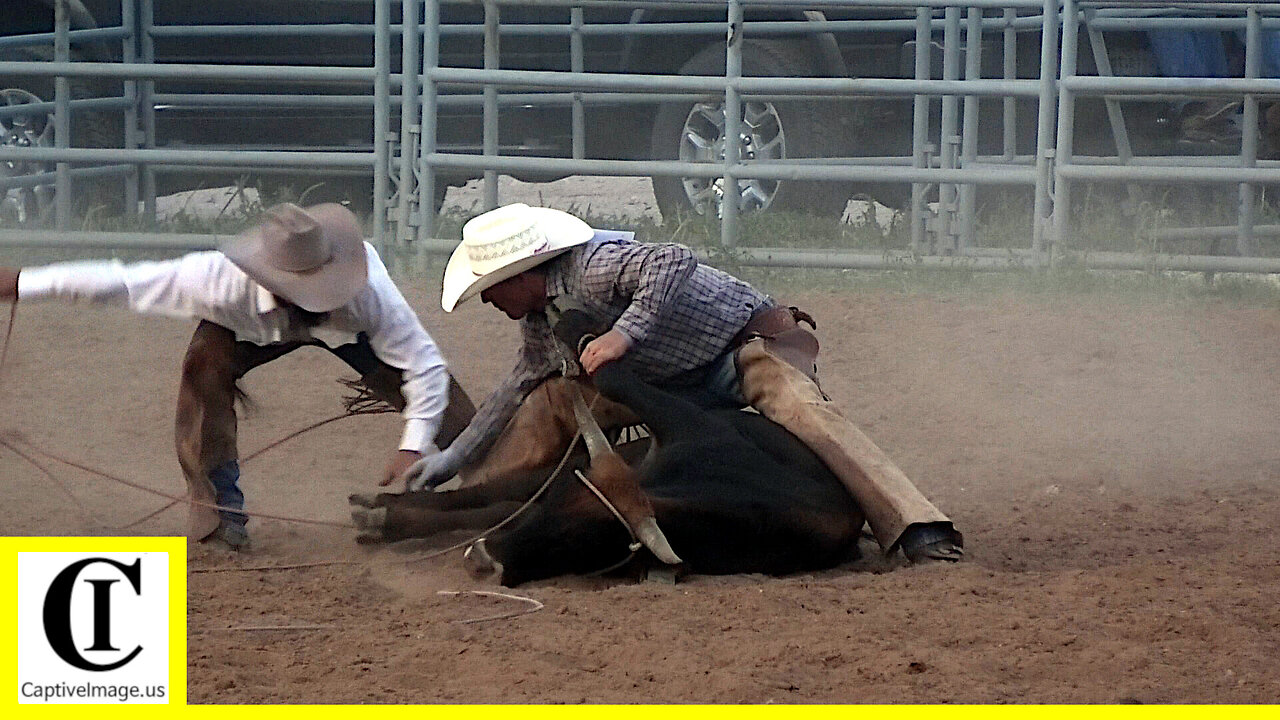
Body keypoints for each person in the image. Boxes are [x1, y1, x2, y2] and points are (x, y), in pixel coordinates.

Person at [395, 203, 962, 563]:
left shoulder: (596, 265)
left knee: (804, 412)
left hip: (740, 351)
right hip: (667, 379)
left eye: (491, 289)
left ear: (520, 277)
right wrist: (450, 458)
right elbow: (514, 385)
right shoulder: (542, 318)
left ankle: (914, 523)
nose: (489, 301)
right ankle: (482, 505)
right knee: (549, 401)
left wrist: (622, 337)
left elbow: (672, 259)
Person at [0, 202, 474, 550]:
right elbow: (124, 282)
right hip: (245, 327)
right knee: (203, 369)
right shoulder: (215, 279)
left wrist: (413, 444)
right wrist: (24, 282)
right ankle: (220, 513)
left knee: (453, 412)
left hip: (352, 331)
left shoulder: (367, 290)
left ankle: (493, 489)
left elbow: (423, 363)